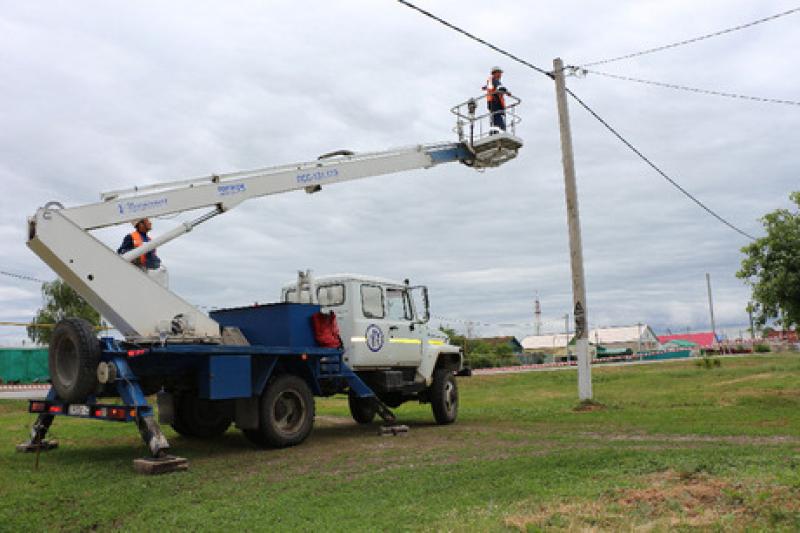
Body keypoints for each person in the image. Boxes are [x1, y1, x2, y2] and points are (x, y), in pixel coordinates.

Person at [118, 218, 168, 287]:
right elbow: (121, 253)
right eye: (147, 221)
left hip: (144, 271)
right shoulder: (131, 237)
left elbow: (152, 257)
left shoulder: (150, 240)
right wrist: (135, 256)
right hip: (133, 271)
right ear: (141, 224)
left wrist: (155, 261)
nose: (150, 223)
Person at [482, 66, 511, 132]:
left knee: (495, 119)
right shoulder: (493, 79)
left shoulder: (492, 81)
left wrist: (485, 87)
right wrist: (507, 92)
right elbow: (499, 87)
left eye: (500, 73)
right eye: (499, 73)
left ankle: (494, 131)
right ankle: (499, 131)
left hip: (496, 102)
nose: (500, 75)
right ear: (495, 73)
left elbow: (491, 87)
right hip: (494, 101)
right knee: (497, 119)